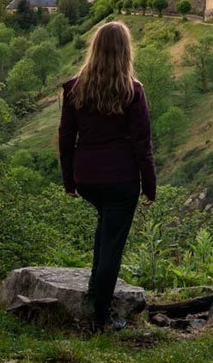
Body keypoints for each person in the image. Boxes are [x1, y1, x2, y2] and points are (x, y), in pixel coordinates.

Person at [58, 21, 157, 331]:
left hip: (87, 177)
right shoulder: (132, 91)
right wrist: (149, 185)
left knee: (106, 228)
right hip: (121, 179)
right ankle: (100, 319)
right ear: (125, 51)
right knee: (113, 245)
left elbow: (65, 137)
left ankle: (93, 290)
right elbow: (143, 144)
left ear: (95, 49)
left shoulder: (75, 87)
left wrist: (70, 181)